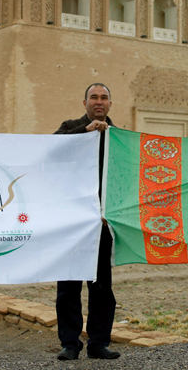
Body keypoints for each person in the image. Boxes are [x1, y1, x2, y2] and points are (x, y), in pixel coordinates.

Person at [52, 83, 120, 361]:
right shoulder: (70, 127)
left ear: (110, 104)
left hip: (102, 223)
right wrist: (85, 132)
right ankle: (70, 343)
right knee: (68, 286)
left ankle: (98, 343)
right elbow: (51, 150)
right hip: (71, 221)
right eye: (94, 97)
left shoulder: (119, 137)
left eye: (104, 98)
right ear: (85, 103)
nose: (99, 102)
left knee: (102, 286)